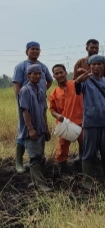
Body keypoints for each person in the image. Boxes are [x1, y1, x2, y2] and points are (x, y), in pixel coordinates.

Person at [74, 55, 105, 188]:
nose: (97, 67)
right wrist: (77, 81)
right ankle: (88, 181)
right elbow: (77, 91)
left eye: (99, 64)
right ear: (90, 66)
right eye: (93, 64)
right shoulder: (85, 81)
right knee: (89, 152)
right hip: (91, 122)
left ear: (103, 66)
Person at [12, 41, 53, 174]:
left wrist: (41, 92)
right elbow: (17, 85)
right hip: (25, 102)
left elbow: (50, 80)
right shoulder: (21, 66)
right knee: (24, 129)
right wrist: (20, 100)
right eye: (32, 49)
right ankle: (19, 162)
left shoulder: (43, 66)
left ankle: (39, 158)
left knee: (40, 128)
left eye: (37, 49)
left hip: (39, 100)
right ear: (27, 51)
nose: (35, 51)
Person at [18, 64, 52, 192]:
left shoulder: (41, 90)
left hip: (41, 128)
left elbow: (44, 111)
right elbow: (25, 111)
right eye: (35, 73)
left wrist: (46, 128)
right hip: (30, 130)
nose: (38, 76)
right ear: (28, 75)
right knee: (35, 157)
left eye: (39, 74)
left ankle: (35, 182)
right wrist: (30, 129)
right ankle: (40, 184)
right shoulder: (25, 90)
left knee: (40, 156)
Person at [49, 64, 84, 175]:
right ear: (53, 75)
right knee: (62, 150)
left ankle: (86, 170)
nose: (59, 75)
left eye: (61, 72)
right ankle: (63, 174)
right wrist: (58, 116)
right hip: (65, 125)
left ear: (65, 73)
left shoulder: (75, 85)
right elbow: (52, 110)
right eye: (56, 73)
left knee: (86, 146)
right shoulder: (53, 93)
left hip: (81, 122)